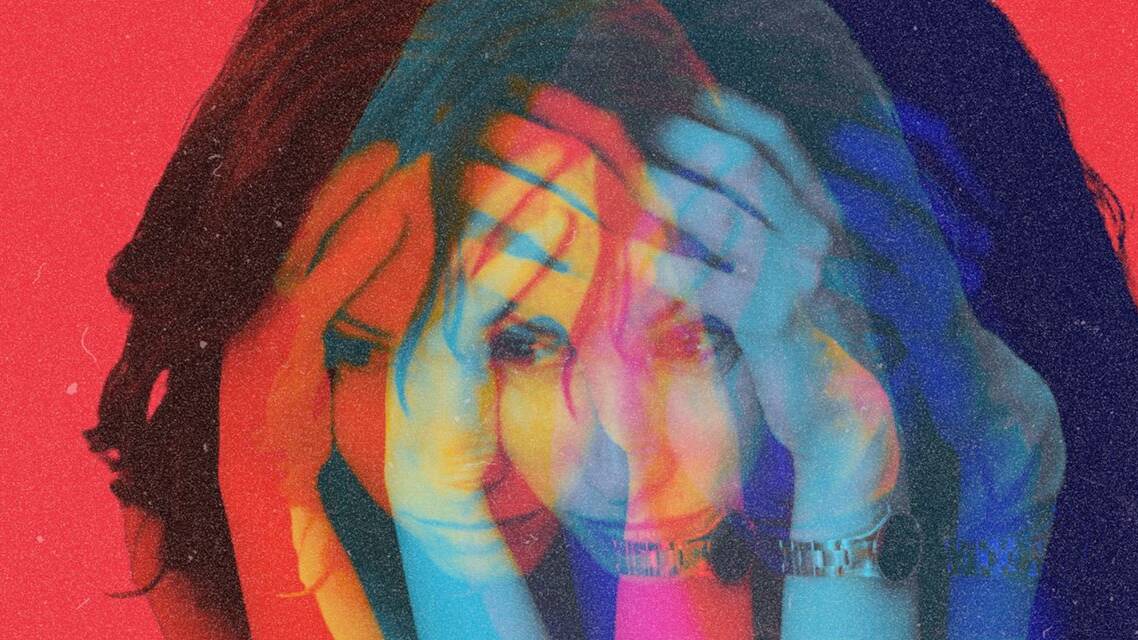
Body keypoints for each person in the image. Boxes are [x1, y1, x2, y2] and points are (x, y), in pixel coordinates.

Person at [86, 1, 1065, 638]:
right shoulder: (230, 518)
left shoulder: (885, 458)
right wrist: (271, 500)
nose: (448, 437)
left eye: (520, 342)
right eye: (358, 351)